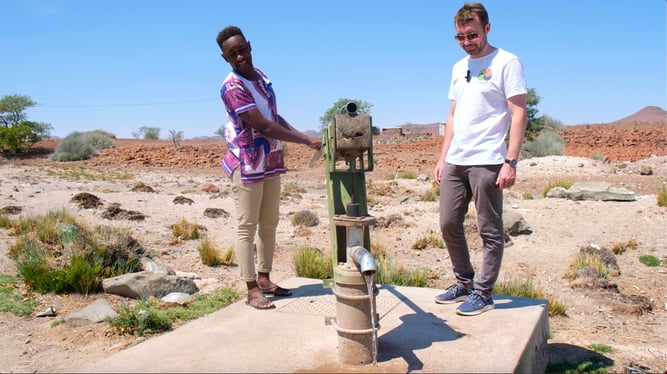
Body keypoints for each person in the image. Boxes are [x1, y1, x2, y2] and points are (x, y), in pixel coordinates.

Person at [216, 26, 321, 310]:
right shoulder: (232, 86)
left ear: (250, 46)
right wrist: (304, 139)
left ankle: (264, 278)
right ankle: (251, 287)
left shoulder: (260, 77)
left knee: (270, 223)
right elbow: (260, 124)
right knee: (247, 226)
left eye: (242, 50)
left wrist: (304, 139)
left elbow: (272, 116)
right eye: (232, 54)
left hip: (270, 158)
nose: (240, 57)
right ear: (225, 58)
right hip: (247, 161)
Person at [433, 3, 527, 316]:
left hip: (488, 160)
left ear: (487, 28)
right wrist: (442, 157)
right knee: (448, 223)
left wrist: (510, 161)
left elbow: (518, 112)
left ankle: (483, 293)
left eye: (472, 34)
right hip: (456, 160)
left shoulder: (507, 62)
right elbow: (452, 115)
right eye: (460, 37)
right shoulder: (458, 68)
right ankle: (464, 282)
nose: (466, 41)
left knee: (489, 229)